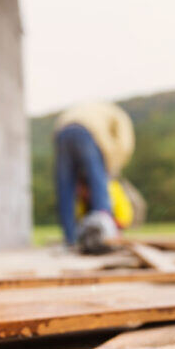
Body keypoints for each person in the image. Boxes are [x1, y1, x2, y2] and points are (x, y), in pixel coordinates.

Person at [53, 101, 135, 247]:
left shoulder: (85, 110)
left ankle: (70, 239)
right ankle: (103, 236)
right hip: (87, 132)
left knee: (65, 188)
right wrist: (111, 166)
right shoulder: (119, 115)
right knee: (99, 184)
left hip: (62, 132)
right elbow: (124, 143)